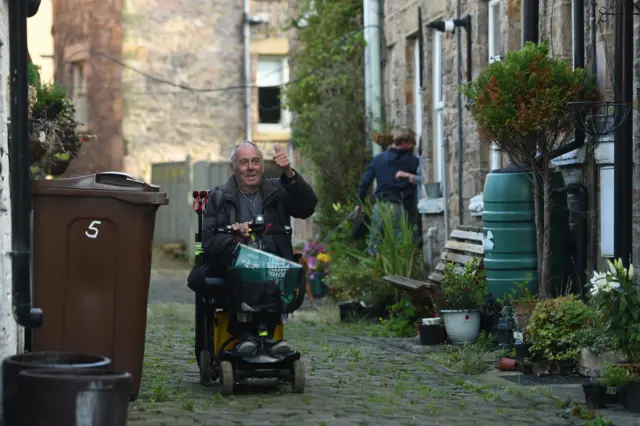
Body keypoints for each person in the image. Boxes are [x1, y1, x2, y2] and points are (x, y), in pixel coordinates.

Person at [201, 140, 317, 354]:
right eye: (244, 162)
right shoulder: (219, 197)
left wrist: (289, 174)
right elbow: (209, 243)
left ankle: (265, 335)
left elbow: (307, 207)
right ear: (232, 168)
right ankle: (248, 334)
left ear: (263, 166)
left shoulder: (277, 190)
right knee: (250, 266)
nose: (251, 167)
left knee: (274, 268)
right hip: (234, 265)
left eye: (256, 161)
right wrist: (235, 238)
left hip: (275, 263)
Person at [356, 128, 420, 254]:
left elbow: (365, 182)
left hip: (379, 207)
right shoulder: (413, 161)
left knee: (375, 245)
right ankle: (399, 273)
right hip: (399, 207)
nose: (414, 145)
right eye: (413, 142)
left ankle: (376, 271)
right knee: (400, 247)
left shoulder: (378, 159)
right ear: (405, 143)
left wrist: (359, 202)